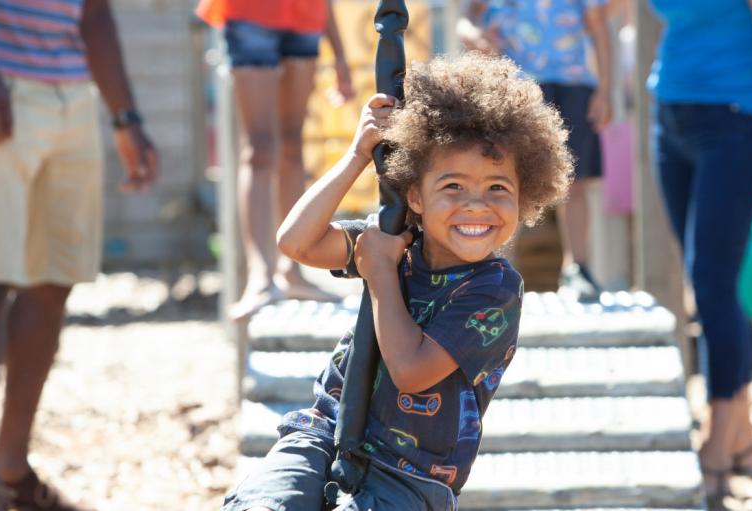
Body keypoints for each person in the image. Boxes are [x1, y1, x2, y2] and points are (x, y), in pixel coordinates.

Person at [222, 53, 572, 511]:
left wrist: (381, 272)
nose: (476, 205)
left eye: (497, 189)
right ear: (415, 195)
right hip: (323, 431)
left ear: (524, 195)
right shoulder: (392, 239)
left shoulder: (494, 290)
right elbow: (297, 242)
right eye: (453, 187)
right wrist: (355, 158)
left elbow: (411, 372)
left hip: (410, 476)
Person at [0, 0, 159, 508]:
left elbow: (94, 11)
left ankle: (12, 468)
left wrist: (126, 118)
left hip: (70, 91)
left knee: (54, 281)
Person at [647, 0, 752, 499]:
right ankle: (742, 436)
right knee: (708, 284)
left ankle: (718, 441)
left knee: (713, 284)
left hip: (734, 123)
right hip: (669, 118)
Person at [196, 0, 355, 320]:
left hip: (306, 17)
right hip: (250, 14)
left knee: (292, 144)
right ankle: (260, 277)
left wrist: (340, 54)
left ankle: (292, 271)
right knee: (259, 148)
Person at [458, 0, 613, 301]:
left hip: (573, 83)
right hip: (514, 85)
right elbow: (466, 17)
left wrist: (605, 90)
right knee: (504, 178)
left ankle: (577, 268)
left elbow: (599, 28)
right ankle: (498, 267)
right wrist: (473, 36)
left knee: (575, 181)